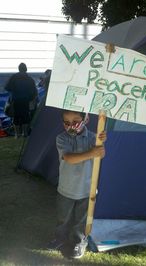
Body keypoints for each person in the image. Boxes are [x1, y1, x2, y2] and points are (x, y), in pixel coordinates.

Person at [49, 110, 106, 259]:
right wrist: (92, 152)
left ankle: (78, 242)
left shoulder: (94, 137)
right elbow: (68, 158)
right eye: (67, 123)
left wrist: (100, 145)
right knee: (63, 217)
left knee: (82, 220)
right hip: (66, 188)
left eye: (75, 121)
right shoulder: (61, 138)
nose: (71, 126)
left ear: (85, 119)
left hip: (87, 189)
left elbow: (100, 154)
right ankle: (60, 238)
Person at [5, 63, 37, 138]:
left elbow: (7, 87)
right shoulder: (29, 78)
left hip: (15, 99)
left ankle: (17, 134)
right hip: (26, 100)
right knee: (25, 115)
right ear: (26, 69)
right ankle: (24, 133)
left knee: (16, 116)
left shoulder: (14, 77)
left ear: (19, 69)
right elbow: (34, 91)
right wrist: (31, 98)